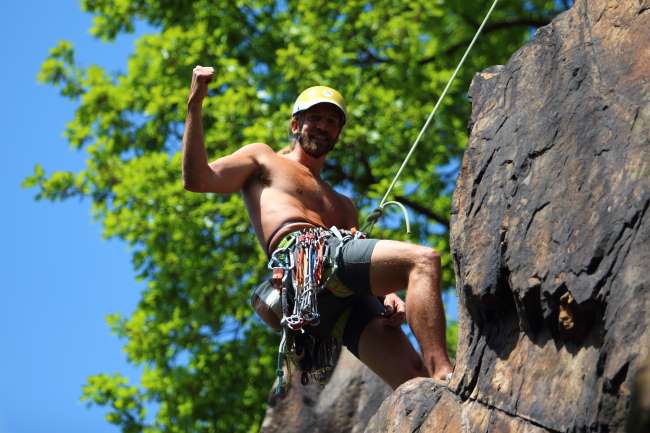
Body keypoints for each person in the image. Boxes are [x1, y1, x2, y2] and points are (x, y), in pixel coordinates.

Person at [182, 65, 453, 389]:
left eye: (332, 121)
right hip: (303, 262)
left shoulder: (343, 204)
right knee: (423, 260)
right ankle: (447, 376)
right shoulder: (264, 159)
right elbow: (198, 179)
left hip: (341, 287)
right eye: (316, 118)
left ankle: (435, 395)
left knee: (413, 379)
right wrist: (195, 104)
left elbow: (357, 261)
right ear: (296, 124)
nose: (323, 126)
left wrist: (388, 296)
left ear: (338, 134)